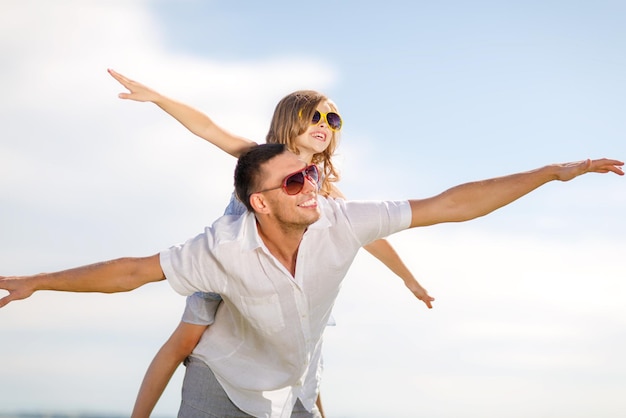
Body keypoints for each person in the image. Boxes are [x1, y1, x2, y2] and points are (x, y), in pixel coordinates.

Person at [0, 143, 622, 417]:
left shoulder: (344, 221)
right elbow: (132, 272)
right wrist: (37, 281)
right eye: (295, 181)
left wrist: (554, 172)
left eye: (313, 174)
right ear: (261, 203)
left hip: (290, 391)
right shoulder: (221, 248)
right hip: (223, 386)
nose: (314, 187)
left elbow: (452, 203)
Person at [106, 69, 434, 418]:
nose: (324, 124)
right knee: (183, 343)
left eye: (332, 118)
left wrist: (408, 279)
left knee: (301, 339)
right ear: (288, 122)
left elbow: (370, 234)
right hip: (225, 264)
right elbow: (209, 129)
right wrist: (158, 98)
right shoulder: (262, 158)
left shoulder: (318, 186)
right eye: (314, 117)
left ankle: (310, 408)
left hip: (272, 275)